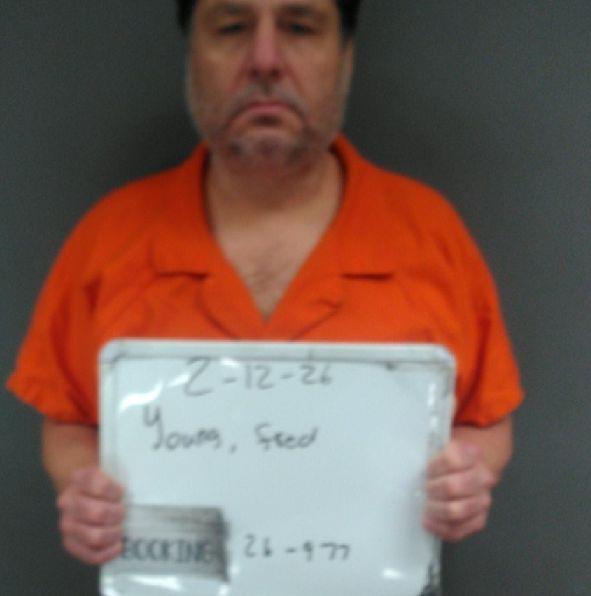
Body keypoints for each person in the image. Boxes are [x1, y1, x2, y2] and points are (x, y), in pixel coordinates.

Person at [6, 0, 523, 566]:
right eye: (232, 28)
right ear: (192, 55)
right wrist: (84, 490)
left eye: (300, 28)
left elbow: (485, 419)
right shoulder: (110, 238)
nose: (265, 60)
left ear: (345, 58)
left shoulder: (430, 236)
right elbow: (68, 418)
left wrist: (465, 479)